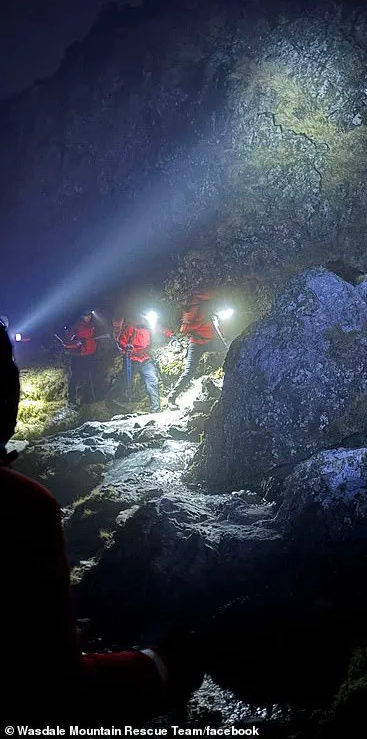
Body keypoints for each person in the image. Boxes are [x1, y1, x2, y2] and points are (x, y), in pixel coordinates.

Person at [0, 322, 204, 725]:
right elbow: (56, 684)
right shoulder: (23, 507)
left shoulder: (25, 504)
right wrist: (159, 668)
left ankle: (152, 405)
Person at [167, 290, 224, 409]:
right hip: (197, 343)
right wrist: (201, 323)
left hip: (210, 340)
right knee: (189, 371)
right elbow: (183, 330)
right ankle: (172, 398)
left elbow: (214, 294)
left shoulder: (203, 302)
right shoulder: (191, 308)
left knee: (229, 351)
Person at [116, 314, 169, 412]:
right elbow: (121, 340)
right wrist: (127, 347)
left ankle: (156, 408)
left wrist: (170, 334)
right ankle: (112, 399)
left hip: (144, 358)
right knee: (125, 382)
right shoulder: (131, 327)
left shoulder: (149, 328)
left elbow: (159, 330)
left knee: (153, 380)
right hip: (132, 358)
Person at [63, 308, 98, 407]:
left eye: (89, 315)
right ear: (81, 316)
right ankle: (71, 400)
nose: (88, 317)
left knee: (88, 377)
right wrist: (77, 343)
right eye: (86, 315)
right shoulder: (76, 327)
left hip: (89, 355)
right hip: (77, 356)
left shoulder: (92, 326)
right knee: (75, 378)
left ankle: (86, 398)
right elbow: (66, 343)